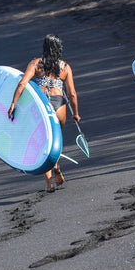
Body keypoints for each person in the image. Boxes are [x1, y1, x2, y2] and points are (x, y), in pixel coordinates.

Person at [8, 34, 81, 192]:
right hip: (59, 105)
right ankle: (56, 166)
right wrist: (75, 113)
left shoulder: (36, 64)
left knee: (44, 143)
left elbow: (22, 83)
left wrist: (13, 103)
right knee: (56, 139)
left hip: (42, 106)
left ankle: (49, 184)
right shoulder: (65, 67)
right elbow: (72, 93)